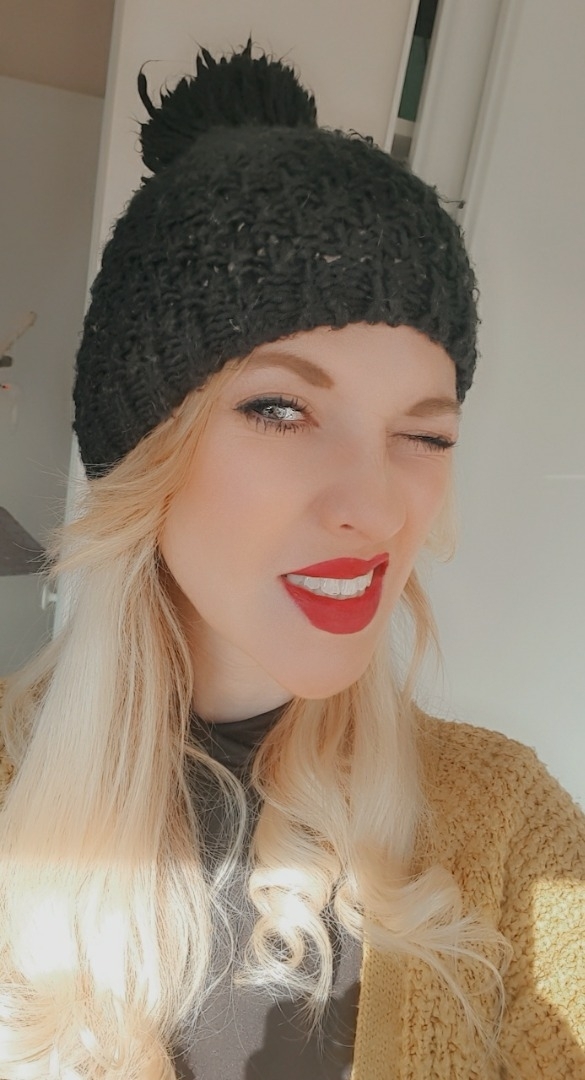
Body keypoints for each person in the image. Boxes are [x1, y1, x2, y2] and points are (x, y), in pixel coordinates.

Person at [0, 39, 583, 1080]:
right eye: (281, 409)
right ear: (147, 446)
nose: (376, 507)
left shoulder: (511, 825)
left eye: (425, 434)